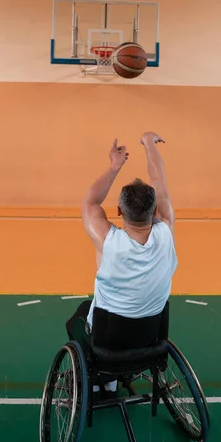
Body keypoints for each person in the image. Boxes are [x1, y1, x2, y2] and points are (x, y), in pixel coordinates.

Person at [66, 131, 178, 361]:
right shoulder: (166, 231)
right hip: (151, 338)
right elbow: (161, 184)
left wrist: (115, 165)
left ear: (118, 211)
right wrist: (148, 143)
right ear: (156, 211)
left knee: (77, 318)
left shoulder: (108, 241)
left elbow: (90, 202)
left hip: (108, 341)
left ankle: (100, 385)